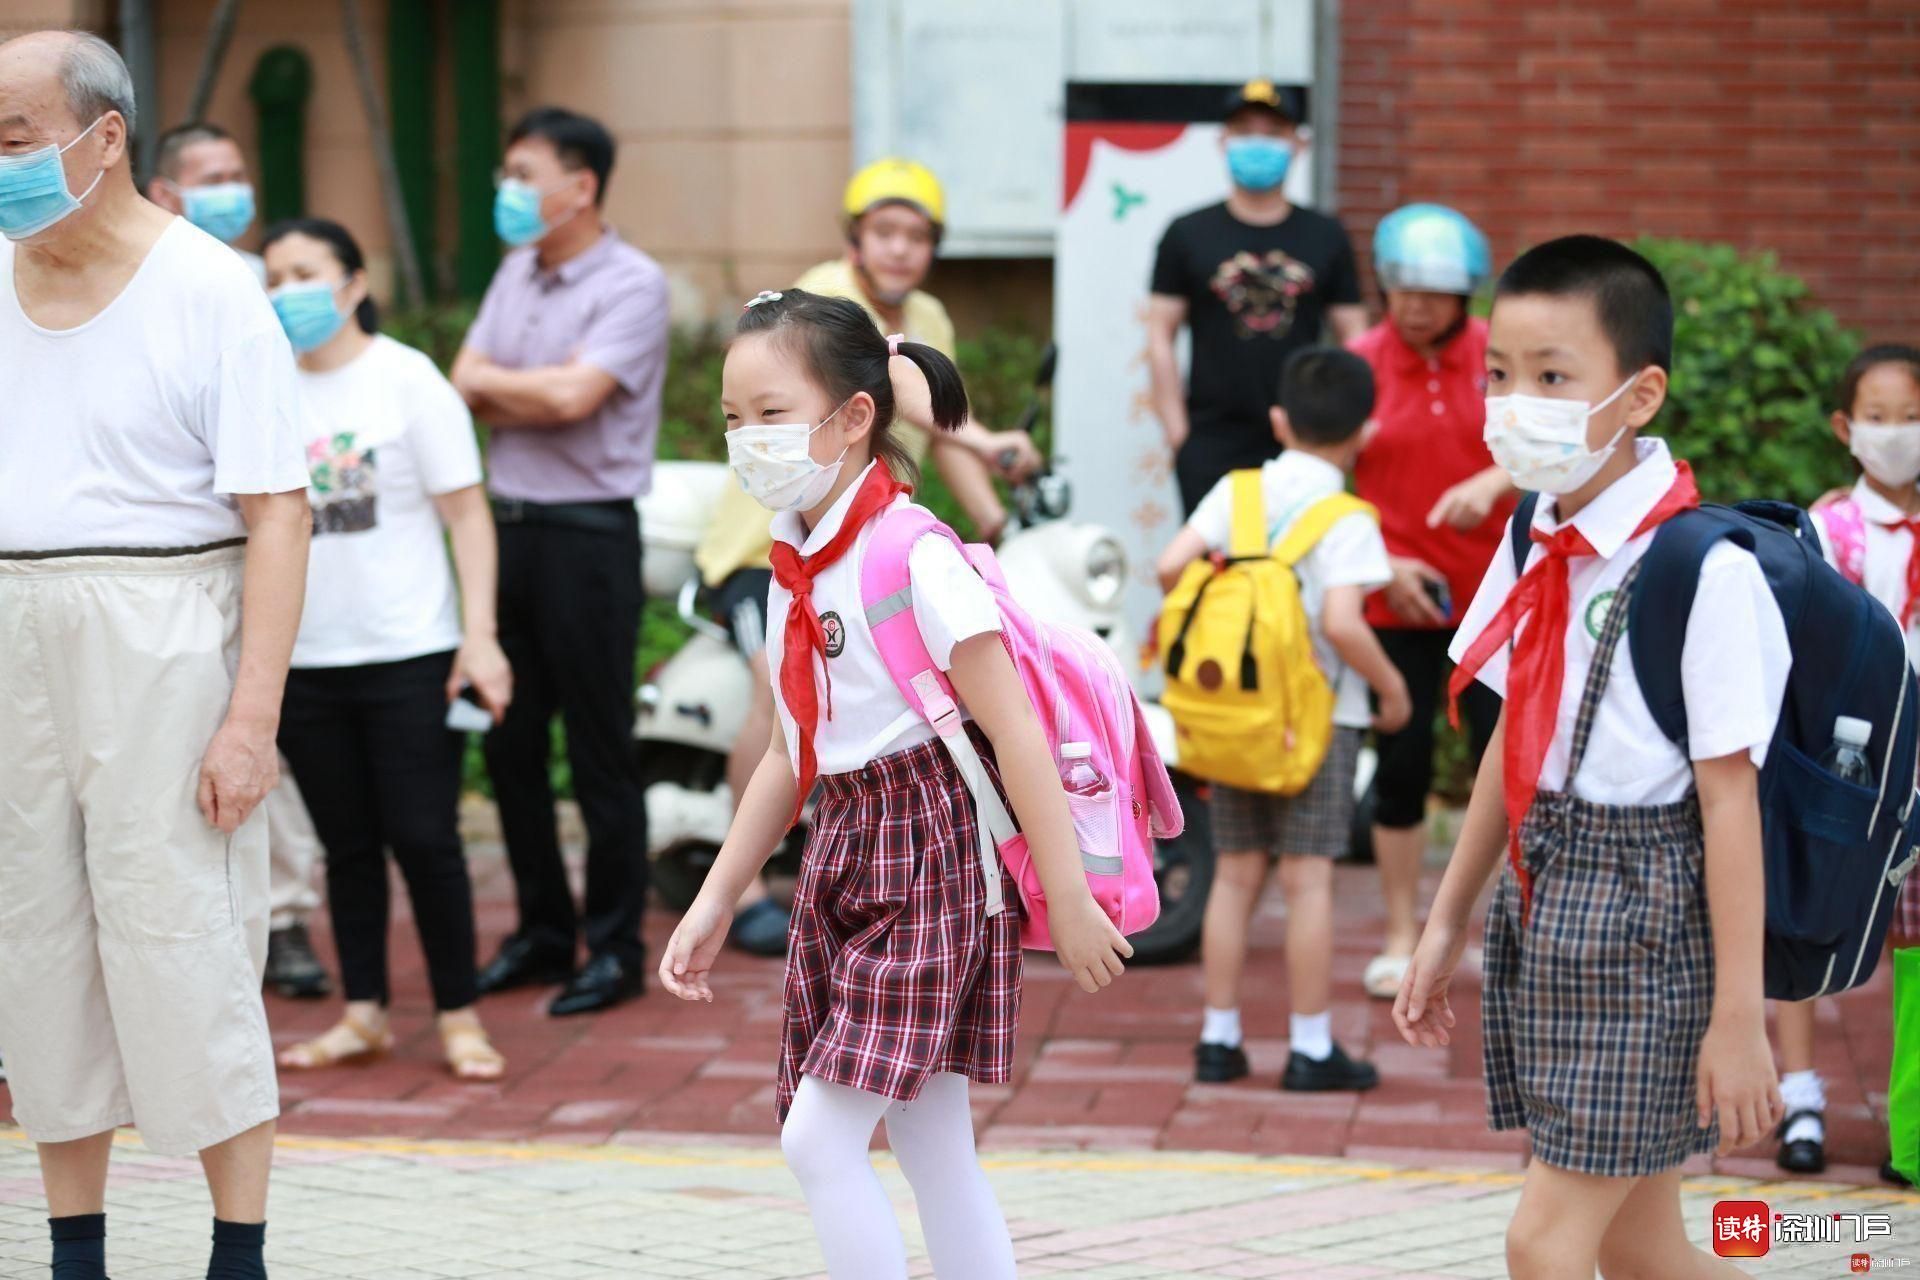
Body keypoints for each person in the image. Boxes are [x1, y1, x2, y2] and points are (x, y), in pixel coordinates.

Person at [659, 289, 1132, 1279]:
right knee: (930, 1137)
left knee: (817, 1139)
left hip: (931, 852)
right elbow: (791, 754)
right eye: (733, 418)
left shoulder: (910, 553)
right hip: (846, 842)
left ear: (854, 416)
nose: (748, 440)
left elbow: (1017, 733)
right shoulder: (797, 557)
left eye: (771, 413)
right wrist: (715, 898)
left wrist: (1071, 897)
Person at [1395, 236, 1787, 1279]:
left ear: (1640, 394)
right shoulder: (1534, 534)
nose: (1515, 404)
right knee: (1641, 1246)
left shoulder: (1701, 570)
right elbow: (1514, 741)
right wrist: (1446, 919)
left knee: (1544, 1241)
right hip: (1549, 896)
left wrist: (1740, 1018)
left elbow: (1731, 801)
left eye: (1553, 377)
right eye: (1500, 375)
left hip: (1649, 921)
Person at [0, 31, 311, 1280]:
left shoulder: (210, 289)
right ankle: (75, 1250)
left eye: (14, 140)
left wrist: (251, 719)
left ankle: (238, 1250)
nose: (1, 166)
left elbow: (277, 511)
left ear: (105, 136)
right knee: (37, 944)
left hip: (166, 620)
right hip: (18, 620)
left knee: (186, 940)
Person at [693, 158, 1041, 956]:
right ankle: (748, 882)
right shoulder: (820, 297)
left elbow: (938, 430)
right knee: (777, 698)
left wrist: (994, 517)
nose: (899, 249)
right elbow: (907, 395)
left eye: (917, 235)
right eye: (884, 231)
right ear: (855, 239)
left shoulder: (930, 315)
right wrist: (990, 440)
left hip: (852, 544)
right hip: (766, 552)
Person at [261, 218, 511, 1082]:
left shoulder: (407, 380)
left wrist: (480, 636)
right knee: (347, 847)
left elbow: (467, 515)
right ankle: (363, 1011)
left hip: (411, 652)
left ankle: (458, 1016)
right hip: (305, 659)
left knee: (425, 838)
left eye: (306, 272)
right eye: (274, 276)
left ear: (355, 283)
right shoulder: (262, 388)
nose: (287, 291)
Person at [451, 106, 669, 1016]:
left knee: (597, 748)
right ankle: (543, 934)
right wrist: (525, 391)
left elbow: (577, 398)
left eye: (522, 175)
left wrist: (512, 389)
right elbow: (463, 380)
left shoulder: (633, 282)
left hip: (589, 536)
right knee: (507, 740)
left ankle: (615, 947)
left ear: (580, 187)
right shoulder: (517, 270)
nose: (507, 191)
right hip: (507, 532)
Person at [1157, 347, 1409, 1092]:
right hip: (1318, 722)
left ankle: (1218, 1040)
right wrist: (1393, 690)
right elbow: (1344, 623)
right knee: (1307, 881)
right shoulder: (1347, 517)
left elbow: (1170, 567)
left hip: (1234, 714)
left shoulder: (1236, 492)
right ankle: (1309, 1047)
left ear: (1277, 420)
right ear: (1364, 432)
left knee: (1236, 875)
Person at [145, 118, 332, 1000]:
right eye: (210, 177)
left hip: (272, 543)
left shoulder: (261, 282)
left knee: (261, 738)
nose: (233, 191)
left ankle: (286, 917)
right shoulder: (143, 283)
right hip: (183, 569)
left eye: (236, 173)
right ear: (164, 193)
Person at [1348, 204, 1512, 1000]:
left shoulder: (1502, 356)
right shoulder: (1359, 364)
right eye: (1404, 289)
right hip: (1396, 604)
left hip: (1497, 600)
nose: (1417, 306)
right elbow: (1319, 481)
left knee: (1506, 768)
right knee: (1402, 768)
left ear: (1465, 294)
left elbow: (1561, 439)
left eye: (1435, 292)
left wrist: (1497, 478)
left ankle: (1501, 934)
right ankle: (1400, 936)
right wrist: (1380, 561)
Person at [1795, 343, 1920, 1183]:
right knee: (1811, 918)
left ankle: (1910, 1129)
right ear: (1846, 427)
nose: (1895, 433)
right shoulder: (1829, 526)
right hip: (1846, 759)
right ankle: (1799, 1097)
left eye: (1911, 416)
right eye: (1878, 417)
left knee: (1914, 942)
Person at [1148, 79, 1367, 516]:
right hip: (1212, 441)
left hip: (1305, 441)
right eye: (1245, 131)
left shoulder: (1326, 235)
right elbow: (1159, 335)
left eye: (1273, 132)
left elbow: (1356, 340)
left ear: (1298, 144)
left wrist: (1344, 432)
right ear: (1223, 141)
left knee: (1301, 554)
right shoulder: (1187, 233)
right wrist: (1179, 435)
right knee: (1213, 558)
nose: (1258, 143)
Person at [144, 121, 262, 282]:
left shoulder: (261, 274)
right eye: (213, 181)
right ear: (163, 194)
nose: (229, 190)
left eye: (237, 178)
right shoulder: (147, 276)